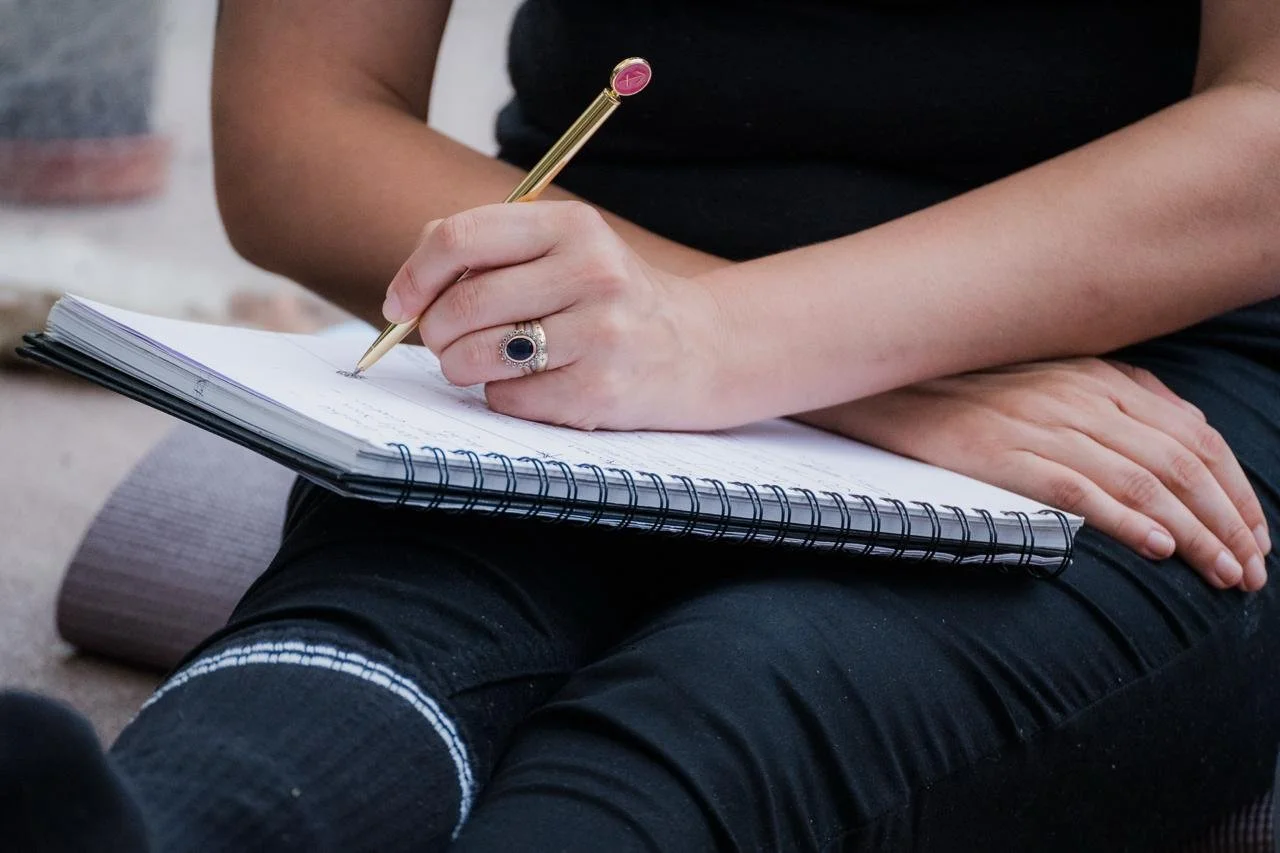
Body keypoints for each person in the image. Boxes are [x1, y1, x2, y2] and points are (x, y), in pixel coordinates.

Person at [4, 1, 1280, 850]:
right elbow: (298, 122)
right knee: (359, 659)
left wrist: (735, 341)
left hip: (1123, 381)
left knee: (723, 724)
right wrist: (748, 351)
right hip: (583, 318)